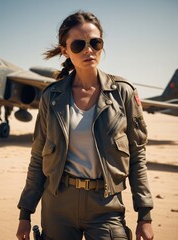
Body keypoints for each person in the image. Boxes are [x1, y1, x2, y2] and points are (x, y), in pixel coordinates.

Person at [16, 11, 154, 240]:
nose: (89, 50)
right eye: (79, 45)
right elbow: (38, 157)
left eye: (95, 42)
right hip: (58, 205)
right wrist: (25, 213)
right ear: (65, 50)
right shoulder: (51, 97)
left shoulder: (124, 93)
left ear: (102, 44)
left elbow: (137, 156)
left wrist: (145, 215)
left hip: (106, 205)